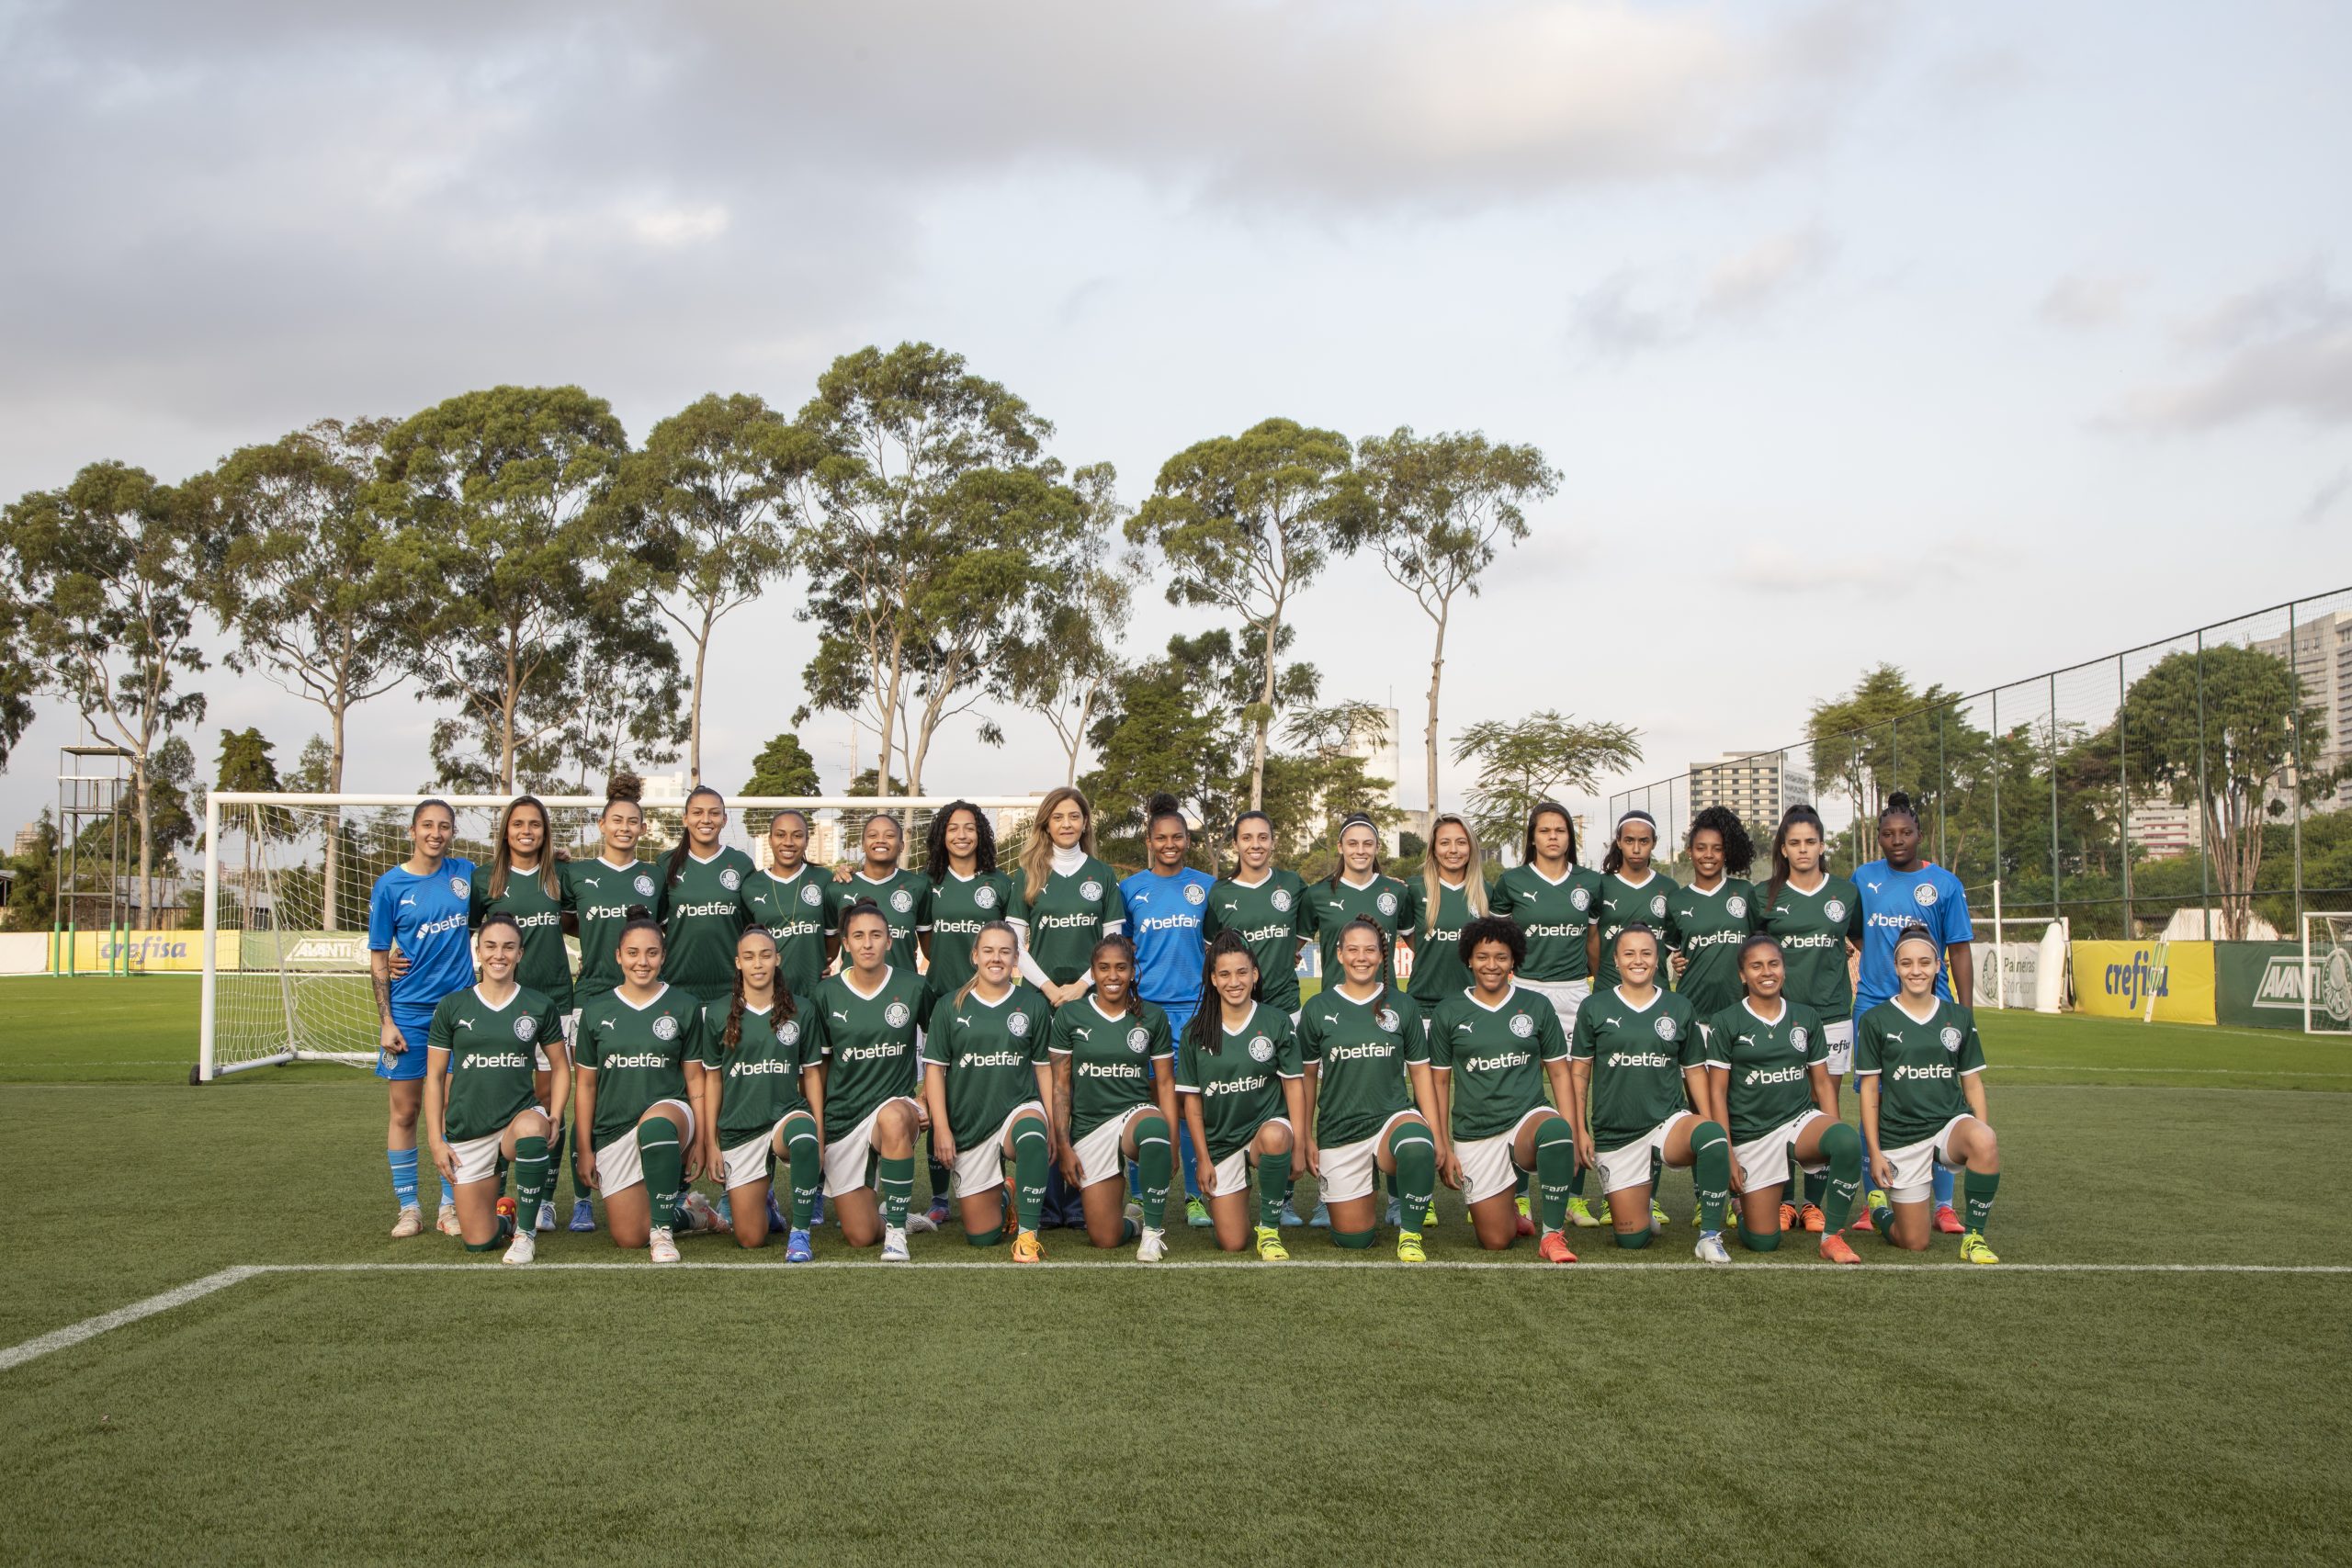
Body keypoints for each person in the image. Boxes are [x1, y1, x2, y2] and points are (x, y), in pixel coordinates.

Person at [1566, 925, 1734, 1262]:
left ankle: (1710, 1236)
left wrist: (1708, 1122)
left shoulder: (1679, 1005)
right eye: (1629, 953)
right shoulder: (1594, 1007)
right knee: (1632, 1240)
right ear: (1615, 959)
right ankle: (1641, 1213)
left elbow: (1695, 1070)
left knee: (1713, 1137)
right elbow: (1580, 1071)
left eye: (1646, 953)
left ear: (1659, 960)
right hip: (1616, 1133)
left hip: (1667, 1121)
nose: (1638, 960)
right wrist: (1579, 1127)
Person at [1852, 792, 1975, 1233]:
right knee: (1875, 1100)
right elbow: (1850, 930)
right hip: (1874, 1005)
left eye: (1905, 833)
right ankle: (1874, 1200)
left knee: (1937, 1100)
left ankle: (1943, 1204)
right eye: (1888, 834)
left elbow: (1959, 950)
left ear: (1920, 835)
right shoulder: (1864, 878)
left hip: (1934, 1009)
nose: (1897, 840)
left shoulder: (1944, 884)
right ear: (1878, 838)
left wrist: (1965, 1010)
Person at [1701, 933, 1864, 1263]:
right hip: (1752, 1133)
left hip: (1799, 1121)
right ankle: (1743, 1208)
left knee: (1846, 1140)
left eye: (1773, 964)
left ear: (1784, 970)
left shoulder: (1805, 1017)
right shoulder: (1726, 1021)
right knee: (1764, 1242)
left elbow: (1821, 1082)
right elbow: (1716, 1092)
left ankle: (1832, 1238)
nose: (1766, 972)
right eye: (1756, 966)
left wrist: (1832, 1132)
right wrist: (1728, 1152)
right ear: (1742, 975)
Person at [1428, 917, 1580, 1263]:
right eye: (1482, 956)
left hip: (1527, 1118)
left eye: (1501, 957)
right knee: (1496, 1241)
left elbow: (1559, 1072)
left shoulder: (1537, 1006)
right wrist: (1442, 1142)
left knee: (1555, 1131)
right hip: (1476, 1130)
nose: (1491, 965)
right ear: (1469, 958)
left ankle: (1553, 1236)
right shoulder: (1449, 1011)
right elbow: (1438, 1081)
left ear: (1514, 960)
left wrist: (1571, 1131)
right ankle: (1510, 1214)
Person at [571, 918, 722, 1262]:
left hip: (670, 1115)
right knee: (629, 1236)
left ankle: (663, 1234)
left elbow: (696, 1080)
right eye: (633, 953)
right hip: (615, 1128)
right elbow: (586, 1085)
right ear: (618, 956)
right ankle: (693, 1214)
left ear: (663, 957)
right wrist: (585, 1149)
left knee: (655, 1126)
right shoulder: (596, 1010)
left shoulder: (684, 1006)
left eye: (652, 953)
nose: (643, 961)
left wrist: (700, 1140)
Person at [1011, 785, 1125, 1229]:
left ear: (1085, 823)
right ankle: (1051, 1203)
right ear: (1045, 823)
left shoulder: (1102, 873)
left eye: (1074, 816)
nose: (1066, 824)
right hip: (1043, 1001)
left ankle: (1085, 1201)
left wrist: (1080, 985)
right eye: (1057, 817)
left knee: (1085, 1097)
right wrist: (1050, 989)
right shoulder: (1026, 873)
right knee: (1047, 1097)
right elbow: (1016, 945)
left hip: (1090, 1000)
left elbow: (1113, 941)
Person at [422, 913, 567, 1264]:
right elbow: (435, 1076)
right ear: (478, 950)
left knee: (534, 1127)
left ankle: (525, 1234)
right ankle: (506, 1219)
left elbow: (561, 1066)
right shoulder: (453, 1006)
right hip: (468, 1129)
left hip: (517, 1120)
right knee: (479, 1241)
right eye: (490, 946)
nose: (498, 955)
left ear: (520, 954)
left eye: (508, 947)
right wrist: (435, 1140)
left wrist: (556, 1115)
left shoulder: (539, 1005)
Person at [1487, 800, 1606, 1229]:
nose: (1553, 837)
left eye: (1561, 830)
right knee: (1521, 1093)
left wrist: (1595, 983)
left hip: (1574, 993)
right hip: (1524, 993)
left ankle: (1573, 1197)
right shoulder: (1512, 882)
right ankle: (1518, 1197)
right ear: (1532, 837)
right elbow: (1499, 941)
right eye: (1545, 830)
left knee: (1574, 1095)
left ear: (1570, 838)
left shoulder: (1589, 883)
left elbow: (1593, 940)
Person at [1298, 918, 1443, 1261]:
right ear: (1339, 954)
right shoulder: (1318, 1009)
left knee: (1416, 1145)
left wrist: (1436, 1133)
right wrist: (1305, 1137)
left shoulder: (1402, 1005)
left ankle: (1410, 1234)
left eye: (1369, 950)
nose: (1360, 957)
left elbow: (1421, 1073)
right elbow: (1306, 1079)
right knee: (1354, 1240)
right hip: (1340, 1129)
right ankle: (1365, 1187)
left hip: (1391, 1118)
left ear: (1382, 956)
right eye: (1353, 950)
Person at [1855, 924, 2001, 1264]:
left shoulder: (1958, 1017)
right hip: (1902, 1135)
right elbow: (1868, 1092)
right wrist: (1875, 1152)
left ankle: (1974, 1238)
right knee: (1914, 1242)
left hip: (1948, 1126)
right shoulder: (1876, 1020)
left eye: (1924, 962)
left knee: (1984, 1138)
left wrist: (1981, 1135)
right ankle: (1880, 1212)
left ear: (1938, 965)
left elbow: (1973, 1083)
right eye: (1906, 963)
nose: (1915, 970)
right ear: (1896, 968)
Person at [560, 772, 667, 1232]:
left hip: (645, 996)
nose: (624, 827)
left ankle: (663, 1186)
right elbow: (553, 917)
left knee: (654, 1088)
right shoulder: (577, 873)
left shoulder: (654, 876)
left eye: (633, 822)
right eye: (616, 820)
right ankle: (583, 1197)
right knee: (588, 1096)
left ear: (642, 829)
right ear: (601, 825)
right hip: (590, 996)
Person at [368, 798, 478, 1238]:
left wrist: (558, 858)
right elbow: (378, 959)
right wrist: (386, 1021)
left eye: (445, 826)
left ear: (452, 833)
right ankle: (409, 1207)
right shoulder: (390, 886)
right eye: (428, 825)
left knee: (454, 1111)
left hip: (457, 1013)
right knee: (405, 1111)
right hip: (409, 1014)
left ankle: (449, 1207)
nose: (436, 833)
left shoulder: (465, 875)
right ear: (412, 831)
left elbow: (510, 876)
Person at [1752, 804, 1863, 1231]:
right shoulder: (1764, 895)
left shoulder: (1846, 894)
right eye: (1794, 843)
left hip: (1833, 1015)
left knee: (1821, 1106)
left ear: (1822, 845)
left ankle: (1813, 1203)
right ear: (1783, 848)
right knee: (1780, 1104)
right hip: (1779, 1017)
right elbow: (1750, 952)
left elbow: (1859, 939)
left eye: (1810, 842)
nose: (1803, 850)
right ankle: (1783, 1200)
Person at [1202, 808, 1314, 1224]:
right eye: (1247, 837)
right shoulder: (1220, 893)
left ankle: (1281, 1198)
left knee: (1285, 1100)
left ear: (1273, 841)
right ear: (1235, 844)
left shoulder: (1291, 885)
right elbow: (1213, 950)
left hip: (1285, 1007)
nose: (1255, 844)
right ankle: (1228, 1176)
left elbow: (1300, 936)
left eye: (1263, 837)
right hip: (1234, 1012)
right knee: (1238, 1088)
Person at [921, 921, 1057, 1260]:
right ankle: (1006, 1196)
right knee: (982, 1237)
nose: (996, 958)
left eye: (1005, 952)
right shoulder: (950, 1005)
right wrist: (942, 1128)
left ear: (1016, 959)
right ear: (974, 956)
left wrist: (1052, 1125)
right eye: (989, 951)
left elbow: (1043, 1068)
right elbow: (935, 1070)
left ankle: (1027, 1236)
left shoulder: (1033, 1005)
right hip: (969, 1123)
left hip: (1017, 1107)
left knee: (1030, 1134)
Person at [469, 793, 573, 1234]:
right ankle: (499, 1195)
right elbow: (462, 932)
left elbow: (582, 919)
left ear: (545, 832)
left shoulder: (560, 877)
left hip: (554, 1002)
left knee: (550, 1103)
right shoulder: (484, 880)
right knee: (501, 1098)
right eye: (518, 824)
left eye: (535, 824)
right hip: (499, 1004)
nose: (526, 832)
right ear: (505, 830)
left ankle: (545, 1198)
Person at [812, 899, 933, 1260]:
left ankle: (896, 1233)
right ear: (845, 944)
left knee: (895, 1116)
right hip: (844, 1114)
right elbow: (818, 1068)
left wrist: (923, 1097)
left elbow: (940, 1048)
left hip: (893, 1106)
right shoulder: (825, 994)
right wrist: (819, 1127)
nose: (867, 944)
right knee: (860, 1236)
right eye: (859, 936)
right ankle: (892, 1218)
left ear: (890, 941)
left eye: (876, 935)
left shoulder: (913, 987)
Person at [699, 926, 828, 1260]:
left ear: (777, 959)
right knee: (750, 1238)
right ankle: (767, 1207)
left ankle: (800, 1235)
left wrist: (819, 1133)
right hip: (740, 1127)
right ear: (738, 963)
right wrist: (711, 1142)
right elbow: (712, 1081)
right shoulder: (716, 1014)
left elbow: (812, 1074)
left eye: (766, 955)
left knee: (802, 1136)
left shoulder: (801, 1010)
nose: (758, 964)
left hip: (786, 1115)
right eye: (750, 957)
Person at [1174, 931, 1305, 1261]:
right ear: (1213, 979)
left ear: (1255, 975)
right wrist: (1202, 1159)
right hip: (1222, 1140)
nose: (1235, 982)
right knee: (1232, 1242)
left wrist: (1300, 1145)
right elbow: (1192, 1104)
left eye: (1242, 972)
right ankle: (1239, 1191)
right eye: (1225, 974)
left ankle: (1271, 1230)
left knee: (1276, 1136)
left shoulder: (1275, 1021)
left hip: (1265, 1129)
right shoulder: (1195, 1032)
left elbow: (1294, 1086)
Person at [1120, 794, 1216, 1228]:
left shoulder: (1207, 888)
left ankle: (1195, 1196)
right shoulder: (1130, 889)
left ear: (1188, 841)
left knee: (1191, 1101)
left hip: (1197, 1011)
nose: (1170, 843)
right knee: (1146, 1104)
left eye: (1177, 836)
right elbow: (1118, 953)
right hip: (1147, 1011)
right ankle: (1140, 1195)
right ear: (1149, 841)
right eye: (1161, 837)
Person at [1048, 935, 1179, 1258]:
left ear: (1133, 972)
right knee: (1105, 1237)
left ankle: (1151, 1232)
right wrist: (1064, 1146)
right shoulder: (1070, 1016)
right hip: (1090, 1126)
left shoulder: (1151, 1017)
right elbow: (1061, 1086)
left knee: (1152, 1129)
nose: (1113, 976)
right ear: (1091, 973)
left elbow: (1164, 1085)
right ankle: (1133, 1225)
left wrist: (1172, 1142)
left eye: (1121, 968)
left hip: (1134, 1114)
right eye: (1104, 968)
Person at [1589, 809, 1681, 1231]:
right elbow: (1593, 939)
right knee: (1609, 1093)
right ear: (1619, 843)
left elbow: (1677, 943)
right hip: (1610, 1001)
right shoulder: (1601, 886)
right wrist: (1603, 977)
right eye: (1630, 840)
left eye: (1645, 841)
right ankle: (1605, 1194)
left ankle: (1651, 1195)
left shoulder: (1668, 889)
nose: (1637, 847)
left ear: (1654, 844)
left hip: (1656, 1005)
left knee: (1653, 1095)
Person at [1401, 812, 1487, 1231]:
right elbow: (1414, 943)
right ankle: (1421, 1194)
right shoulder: (1415, 891)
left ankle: (1479, 1188)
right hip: (1424, 1011)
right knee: (1423, 1106)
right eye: (1444, 843)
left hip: (1472, 1009)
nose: (1453, 850)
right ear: (1432, 849)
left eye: (1461, 842)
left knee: (1472, 1103)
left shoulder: (1485, 894)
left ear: (1471, 846)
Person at [661, 784, 756, 1004]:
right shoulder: (666, 864)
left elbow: (755, 923)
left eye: (714, 813)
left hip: (732, 987)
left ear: (724, 820)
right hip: (677, 987)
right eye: (697, 813)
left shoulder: (741, 864)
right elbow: (657, 923)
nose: (706, 819)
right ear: (685, 819)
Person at [1664, 806, 1758, 1017]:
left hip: (1741, 1010)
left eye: (1717, 848)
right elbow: (1668, 951)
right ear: (1689, 851)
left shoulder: (1744, 891)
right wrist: (1676, 961)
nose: (1708, 855)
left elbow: (1765, 941)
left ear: (1726, 853)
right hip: (1693, 1010)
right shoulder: (1677, 900)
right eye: (1701, 848)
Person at [1309, 813, 1418, 993]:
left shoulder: (1397, 891)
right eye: (1352, 844)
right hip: (1335, 1005)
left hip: (1386, 1002)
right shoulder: (1317, 894)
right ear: (1340, 847)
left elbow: (1422, 950)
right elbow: (1287, 949)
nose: (1360, 850)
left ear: (1377, 847)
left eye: (1367, 844)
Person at [921, 800, 1017, 1000]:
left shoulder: (1002, 883)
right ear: (942, 836)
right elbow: (930, 948)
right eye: (953, 829)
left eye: (970, 829)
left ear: (980, 834)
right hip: (939, 996)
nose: (962, 836)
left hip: (991, 997)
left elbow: (1013, 942)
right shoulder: (925, 883)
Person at [741, 808, 834, 1002]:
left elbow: (833, 933)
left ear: (807, 841)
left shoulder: (824, 879)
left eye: (797, 835)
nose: (788, 842)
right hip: (768, 994)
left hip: (814, 991)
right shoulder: (751, 886)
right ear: (770, 839)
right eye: (780, 835)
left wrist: (826, 961)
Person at [826, 812, 933, 977]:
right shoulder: (839, 888)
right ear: (862, 844)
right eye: (872, 835)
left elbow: (929, 949)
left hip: (904, 989)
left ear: (902, 845)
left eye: (889, 835)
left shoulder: (918, 886)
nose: (881, 840)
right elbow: (829, 949)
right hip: (852, 991)